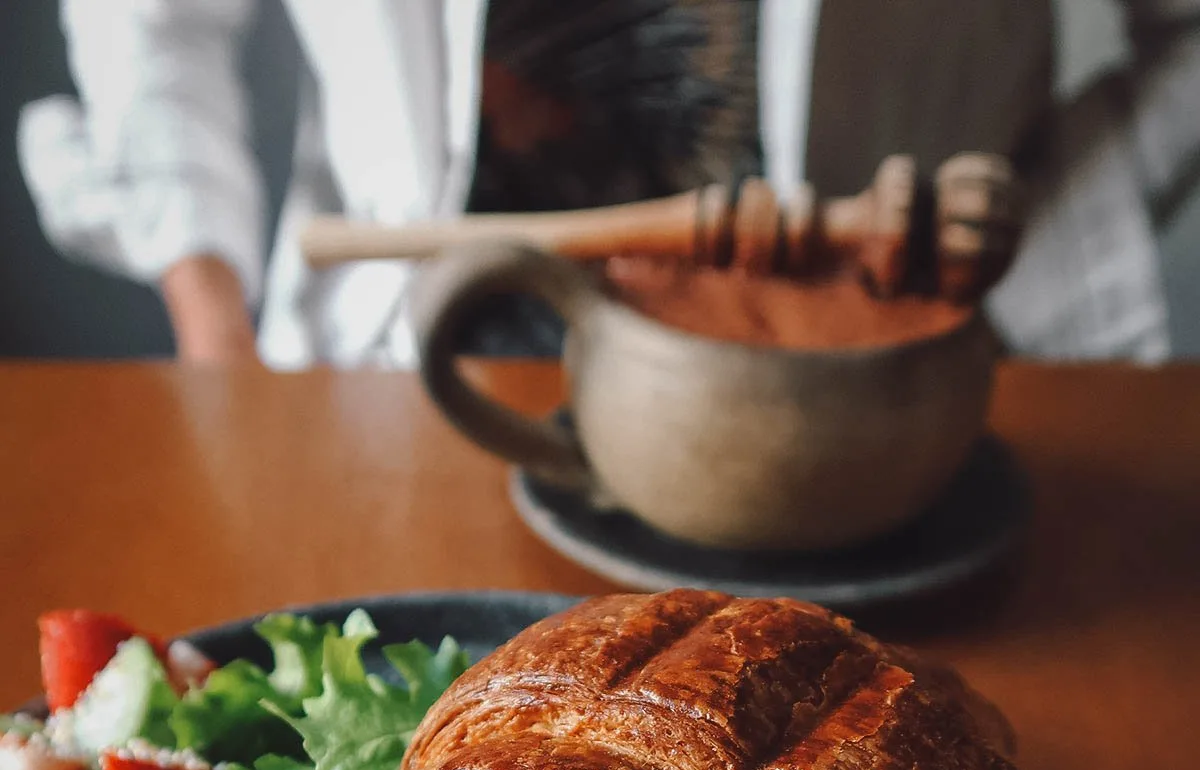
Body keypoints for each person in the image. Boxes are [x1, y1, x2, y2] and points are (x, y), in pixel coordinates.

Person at [17, 0, 1200, 368]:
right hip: (385, 388)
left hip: (863, 415)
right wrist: (212, 322)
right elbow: (147, 20)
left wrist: (1037, 267)